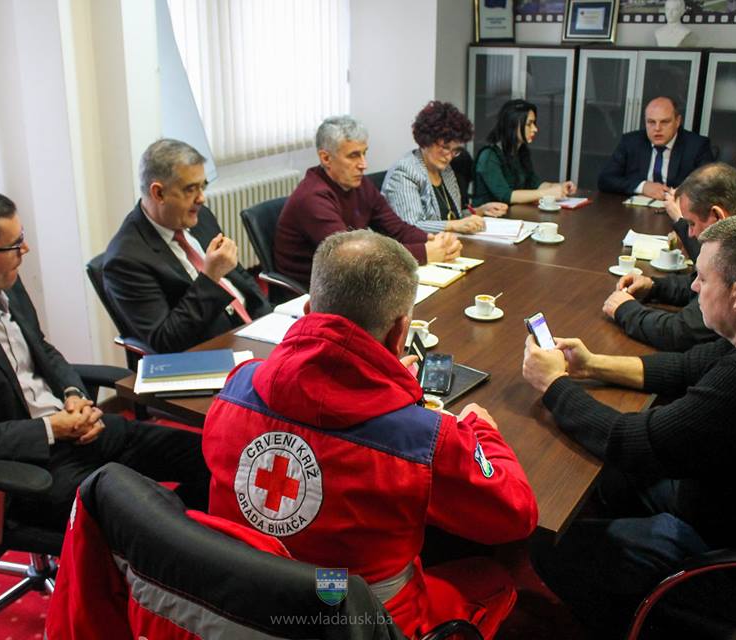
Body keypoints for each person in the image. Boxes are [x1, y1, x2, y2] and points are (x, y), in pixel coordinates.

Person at [203, 230, 538, 638]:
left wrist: (392, 392)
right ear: (400, 333)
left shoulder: (237, 386)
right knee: (494, 576)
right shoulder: (426, 440)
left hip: (241, 606)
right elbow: (517, 516)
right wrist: (481, 429)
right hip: (365, 625)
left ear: (307, 310)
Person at [522, 213, 736, 638]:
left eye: (702, 279)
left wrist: (553, 385)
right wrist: (590, 365)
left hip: (730, 555)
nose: (693, 288)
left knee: (548, 543)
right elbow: (683, 367)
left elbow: (632, 442)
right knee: (611, 482)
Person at [0, 186, 210, 529]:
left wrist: (74, 394)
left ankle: (160, 544)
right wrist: (51, 429)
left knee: (209, 458)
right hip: (23, 467)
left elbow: (41, 349)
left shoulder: (0, 275)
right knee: (151, 515)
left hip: (73, 432)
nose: (24, 250)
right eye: (15, 245)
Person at [102, 139, 270, 353]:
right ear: (158, 193)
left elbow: (238, 275)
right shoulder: (126, 259)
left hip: (253, 330)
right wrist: (210, 277)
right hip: (209, 353)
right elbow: (165, 341)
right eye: (190, 189)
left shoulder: (199, 217)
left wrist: (268, 316)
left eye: (203, 186)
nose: (202, 198)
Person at [274, 116, 462, 287]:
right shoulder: (312, 197)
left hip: (349, 279)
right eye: (353, 155)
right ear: (326, 158)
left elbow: (397, 229)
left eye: (364, 153)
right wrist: (424, 252)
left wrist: (436, 241)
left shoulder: (359, 184)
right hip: (312, 292)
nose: (364, 164)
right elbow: (350, 255)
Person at [603, 163, 736, 351]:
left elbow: (682, 332)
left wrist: (626, 310)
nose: (690, 234)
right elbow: (703, 286)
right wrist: (653, 287)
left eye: (691, 224)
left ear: (717, 216)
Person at [382, 101, 507, 234]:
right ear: (426, 141)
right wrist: (454, 225)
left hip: (446, 242)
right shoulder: (404, 172)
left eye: (455, 150)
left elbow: (453, 216)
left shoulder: (445, 170)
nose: (449, 156)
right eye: (445, 148)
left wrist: (480, 211)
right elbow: (411, 226)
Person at [597, 96, 714, 199]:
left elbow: (709, 187)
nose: (657, 128)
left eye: (665, 122)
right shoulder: (631, 142)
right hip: (636, 208)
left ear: (677, 121)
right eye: (651, 122)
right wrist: (643, 187)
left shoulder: (697, 146)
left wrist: (677, 194)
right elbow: (605, 179)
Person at [473, 99, 575, 206]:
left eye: (534, 123)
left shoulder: (521, 152)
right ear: (512, 125)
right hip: (489, 215)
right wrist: (547, 193)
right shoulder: (489, 156)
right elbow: (506, 196)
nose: (535, 129)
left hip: (514, 213)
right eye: (529, 124)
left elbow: (534, 183)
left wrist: (558, 187)